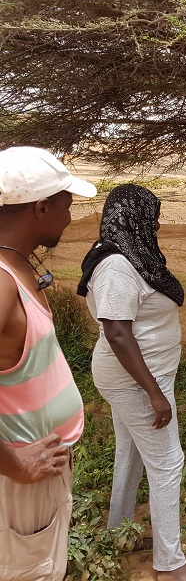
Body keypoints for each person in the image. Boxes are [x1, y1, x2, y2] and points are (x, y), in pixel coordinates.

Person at [77, 184, 186, 581]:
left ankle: (118, 533)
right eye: (151, 214)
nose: (157, 222)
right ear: (132, 216)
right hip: (135, 382)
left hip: (141, 376)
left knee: (133, 452)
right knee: (169, 462)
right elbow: (118, 332)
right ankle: (170, 566)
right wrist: (154, 392)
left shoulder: (131, 257)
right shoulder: (117, 265)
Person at [0, 146, 96, 580]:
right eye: (67, 204)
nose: (71, 217)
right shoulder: (1, 285)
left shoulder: (17, 266)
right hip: (21, 480)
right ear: (40, 207)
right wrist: (15, 465)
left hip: (42, 471)